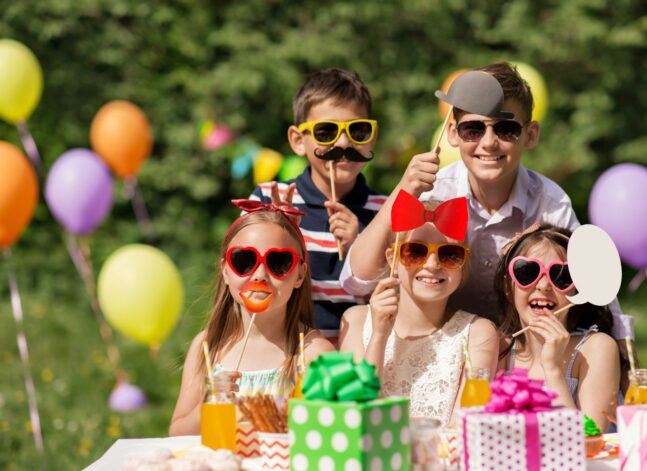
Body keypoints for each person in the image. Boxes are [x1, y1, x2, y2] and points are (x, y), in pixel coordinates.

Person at [340, 62, 633, 341]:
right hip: (440, 342)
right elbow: (356, 280)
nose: (489, 142)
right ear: (453, 134)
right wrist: (402, 192)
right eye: (474, 129)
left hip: (520, 349)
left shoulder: (549, 203)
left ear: (530, 135)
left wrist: (623, 358)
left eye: (506, 129)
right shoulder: (431, 191)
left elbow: (594, 288)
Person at [169, 200, 334, 436]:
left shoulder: (313, 354)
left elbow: (328, 433)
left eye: (278, 263)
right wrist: (207, 405)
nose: (259, 275)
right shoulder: (207, 347)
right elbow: (177, 433)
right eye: (244, 260)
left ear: (299, 274)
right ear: (226, 271)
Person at [248, 68, 386, 345]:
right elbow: (247, 284)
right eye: (326, 132)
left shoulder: (385, 212)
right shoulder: (267, 199)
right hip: (286, 352)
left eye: (358, 130)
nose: (344, 143)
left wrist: (359, 250)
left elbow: (393, 303)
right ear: (298, 141)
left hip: (357, 360)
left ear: (372, 136)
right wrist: (280, 233)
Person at [339, 197, 498, 428]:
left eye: (449, 254)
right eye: (415, 252)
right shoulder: (355, 321)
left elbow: (465, 430)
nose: (432, 265)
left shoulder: (478, 334)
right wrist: (379, 337)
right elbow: (354, 419)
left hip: (440, 463)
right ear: (392, 259)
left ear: (463, 263)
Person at [495, 223, 621, 431]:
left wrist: (553, 369)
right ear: (508, 288)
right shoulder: (499, 350)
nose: (543, 286)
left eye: (561, 276)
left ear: (577, 290)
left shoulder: (596, 349)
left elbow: (588, 440)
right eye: (527, 272)